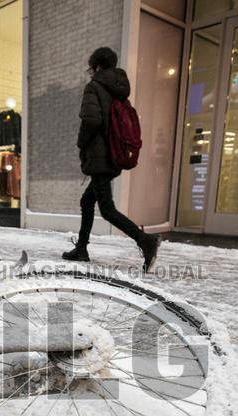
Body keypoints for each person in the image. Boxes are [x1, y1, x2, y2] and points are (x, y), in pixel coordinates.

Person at [63, 46, 160, 272]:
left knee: (107, 209)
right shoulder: (120, 90)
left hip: (99, 157)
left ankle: (145, 241)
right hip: (115, 156)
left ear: (96, 65)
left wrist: (81, 143)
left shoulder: (94, 87)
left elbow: (91, 120)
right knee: (87, 201)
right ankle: (82, 248)